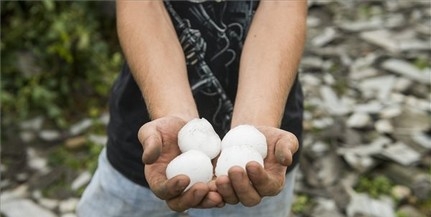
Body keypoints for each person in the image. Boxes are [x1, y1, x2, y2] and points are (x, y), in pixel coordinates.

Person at [77, 0, 307, 216]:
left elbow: (281, 5)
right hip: (152, 143)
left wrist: (256, 126)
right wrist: (173, 115)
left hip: (262, 157)